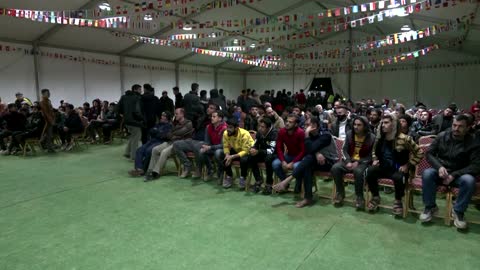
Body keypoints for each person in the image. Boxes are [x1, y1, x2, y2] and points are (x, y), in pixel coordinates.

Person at [420, 114, 480, 229]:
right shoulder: (442, 136)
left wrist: (454, 174)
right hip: (441, 171)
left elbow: (476, 165)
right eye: (454, 125)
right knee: (427, 173)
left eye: (460, 126)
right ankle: (430, 206)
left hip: (460, 174)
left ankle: (458, 211)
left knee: (469, 180)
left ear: (468, 128)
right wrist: (439, 167)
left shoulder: (474, 142)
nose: (456, 129)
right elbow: (429, 153)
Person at [365, 114, 423, 216]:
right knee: (370, 171)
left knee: (398, 177)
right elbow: (374, 151)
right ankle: (375, 196)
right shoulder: (379, 138)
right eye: (382, 123)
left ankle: (398, 200)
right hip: (383, 167)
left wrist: (408, 165)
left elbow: (420, 153)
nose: (383, 125)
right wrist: (375, 159)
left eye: (386, 123)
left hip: (398, 169)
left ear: (394, 125)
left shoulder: (405, 139)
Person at [274, 117, 338, 207]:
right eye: (305, 125)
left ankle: (287, 180)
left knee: (308, 159)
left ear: (315, 125)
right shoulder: (310, 136)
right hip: (315, 161)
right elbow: (307, 150)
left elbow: (311, 148)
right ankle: (308, 198)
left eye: (307, 125)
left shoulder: (325, 135)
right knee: (307, 165)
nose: (305, 127)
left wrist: (307, 135)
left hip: (329, 162)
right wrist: (317, 153)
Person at [331, 116, 375, 209]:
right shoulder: (349, 134)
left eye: (359, 125)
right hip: (349, 160)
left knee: (358, 172)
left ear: (365, 126)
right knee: (335, 168)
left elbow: (371, 155)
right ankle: (340, 193)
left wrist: (358, 162)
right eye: (354, 124)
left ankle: (359, 197)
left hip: (363, 161)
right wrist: (347, 161)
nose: (356, 127)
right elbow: (344, 150)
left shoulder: (371, 137)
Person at [144, 108, 193, 181]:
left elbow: (180, 132)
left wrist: (173, 134)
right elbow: (168, 134)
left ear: (182, 114)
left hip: (179, 144)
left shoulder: (189, 123)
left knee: (164, 152)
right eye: (175, 114)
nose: (175, 115)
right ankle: (150, 171)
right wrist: (174, 134)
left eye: (176, 114)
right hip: (171, 142)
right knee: (155, 149)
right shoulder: (175, 123)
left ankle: (156, 173)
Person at [129, 112, 173, 177]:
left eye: (164, 116)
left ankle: (143, 170)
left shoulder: (169, 126)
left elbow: (164, 136)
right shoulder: (158, 124)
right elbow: (151, 131)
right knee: (139, 150)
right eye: (162, 115)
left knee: (148, 151)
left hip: (160, 142)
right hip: (152, 140)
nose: (162, 117)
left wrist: (156, 131)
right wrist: (158, 132)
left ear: (167, 118)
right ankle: (139, 169)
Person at [242, 117, 278, 194]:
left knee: (268, 159)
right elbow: (255, 144)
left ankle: (269, 183)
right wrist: (253, 149)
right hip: (262, 153)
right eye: (259, 126)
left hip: (274, 154)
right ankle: (258, 180)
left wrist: (258, 151)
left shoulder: (274, 133)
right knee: (251, 157)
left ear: (268, 128)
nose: (260, 129)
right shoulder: (259, 133)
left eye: (262, 127)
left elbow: (271, 150)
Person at [272, 114, 305, 190]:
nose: (287, 123)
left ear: (296, 124)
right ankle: (285, 182)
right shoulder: (282, 131)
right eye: (287, 121)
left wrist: (292, 162)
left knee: (296, 166)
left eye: (290, 122)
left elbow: (303, 151)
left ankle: (299, 183)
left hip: (300, 157)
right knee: (275, 164)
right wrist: (283, 161)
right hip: (289, 155)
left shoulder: (300, 133)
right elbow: (279, 148)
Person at [220, 118, 254, 189]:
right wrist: (227, 155)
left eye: (230, 127)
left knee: (243, 160)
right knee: (224, 157)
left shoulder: (245, 134)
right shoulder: (226, 133)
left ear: (236, 128)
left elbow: (246, 150)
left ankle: (243, 177)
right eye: (227, 127)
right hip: (236, 150)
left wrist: (232, 157)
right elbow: (226, 146)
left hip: (248, 152)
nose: (228, 129)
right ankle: (229, 176)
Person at [198, 110, 228, 182]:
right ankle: (210, 170)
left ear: (220, 118)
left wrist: (210, 147)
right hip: (213, 147)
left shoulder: (225, 128)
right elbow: (207, 142)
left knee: (217, 153)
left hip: (224, 149)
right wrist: (205, 146)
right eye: (211, 116)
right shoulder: (208, 127)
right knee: (201, 151)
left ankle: (221, 172)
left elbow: (223, 145)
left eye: (214, 117)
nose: (211, 118)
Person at [117, 84, 144, 160]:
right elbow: (137, 111)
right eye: (139, 89)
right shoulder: (137, 98)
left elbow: (118, 109)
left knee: (132, 136)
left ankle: (127, 152)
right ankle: (134, 156)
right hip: (135, 121)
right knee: (136, 138)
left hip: (126, 121)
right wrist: (142, 119)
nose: (141, 91)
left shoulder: (123, 97)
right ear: (135, 90)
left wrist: (124, 115)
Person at [39, 89, 55, 153]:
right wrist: (51, 120)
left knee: (48, 134)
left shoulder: (48, 100)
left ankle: (42, 143)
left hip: (50, 119)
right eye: (47, 93)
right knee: (49, 135)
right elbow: (46, 112)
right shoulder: (42, 101)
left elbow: (50, 110)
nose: (49, 94)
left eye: (49, 92)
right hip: (46, 120)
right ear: (43, 94)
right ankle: (49, 148)